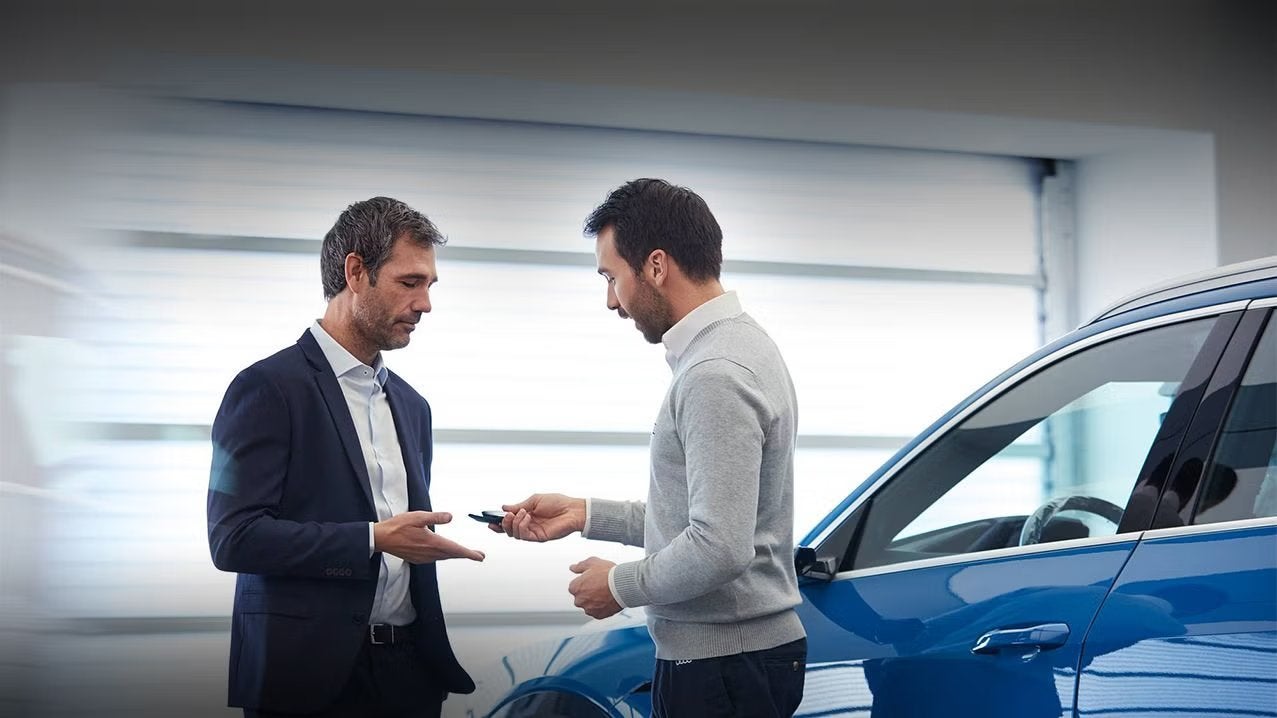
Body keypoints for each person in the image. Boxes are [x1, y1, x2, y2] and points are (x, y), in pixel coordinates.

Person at [495, 178, 807, 717]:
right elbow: (704, 518)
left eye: (611, 277)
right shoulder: (741, 345)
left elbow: (719, 547)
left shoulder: (714, 373)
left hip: (722, 667)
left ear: (656, 266)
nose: (610, 301)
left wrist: (619, 585)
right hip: (737, 663)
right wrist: (583, 514)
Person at [207, 197, 484, 718]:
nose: (425, 303)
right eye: (410, 282)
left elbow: (405, 531)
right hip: (305, 680)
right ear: (355, 272)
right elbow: (233, 539)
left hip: (409, 676)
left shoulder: (413, 406)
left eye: (430, 285)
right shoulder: (264, 389)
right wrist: (372, 539)